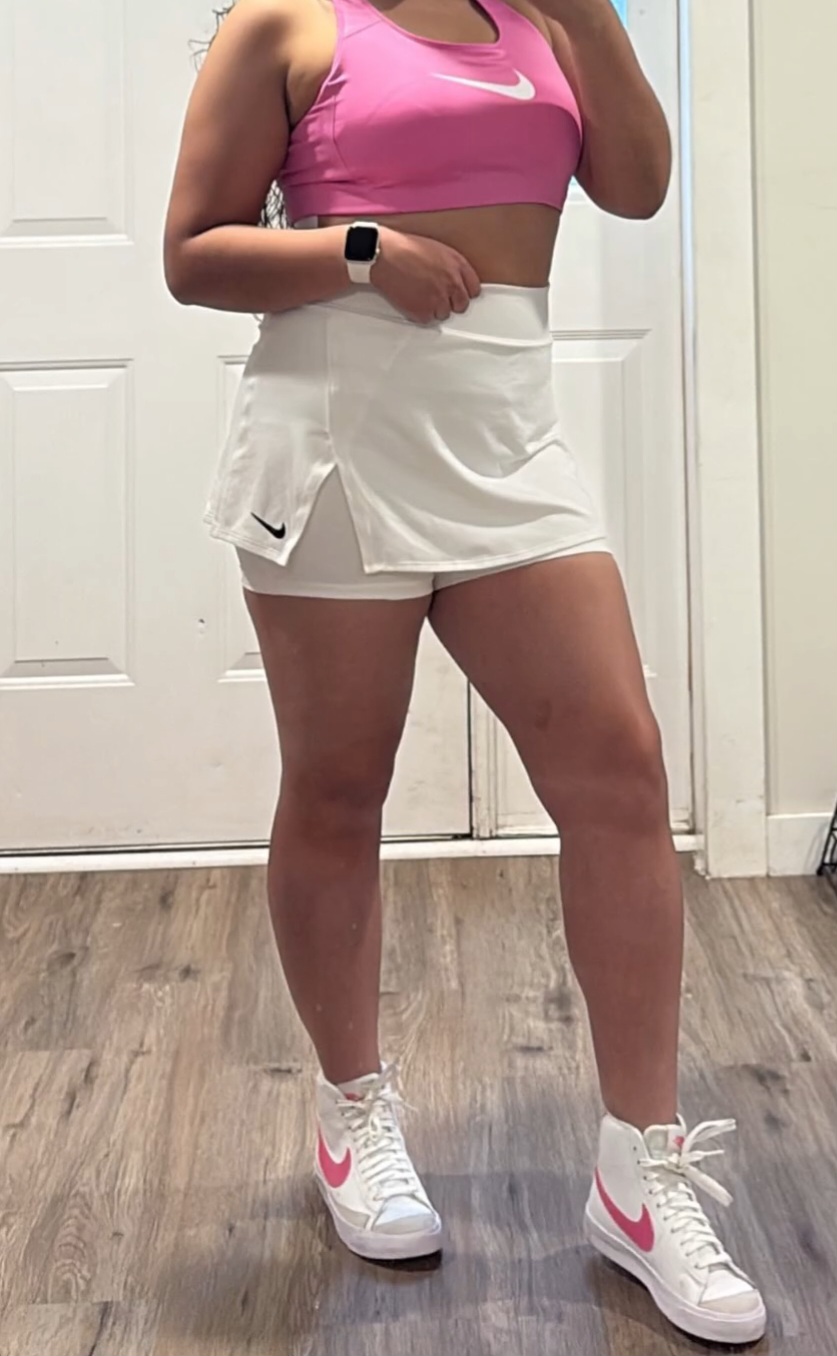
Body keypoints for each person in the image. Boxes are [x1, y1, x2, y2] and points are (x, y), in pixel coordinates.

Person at [163, 0, 766, 1343]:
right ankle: (353, 1114)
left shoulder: (545, 20)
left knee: (620, 776)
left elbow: (636, 186)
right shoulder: (287, 24)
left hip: (503, 437)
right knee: (339, 788)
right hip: (333, 430)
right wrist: (360, 249)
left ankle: (640, 1172)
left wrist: (587, 14)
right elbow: (193, 255)